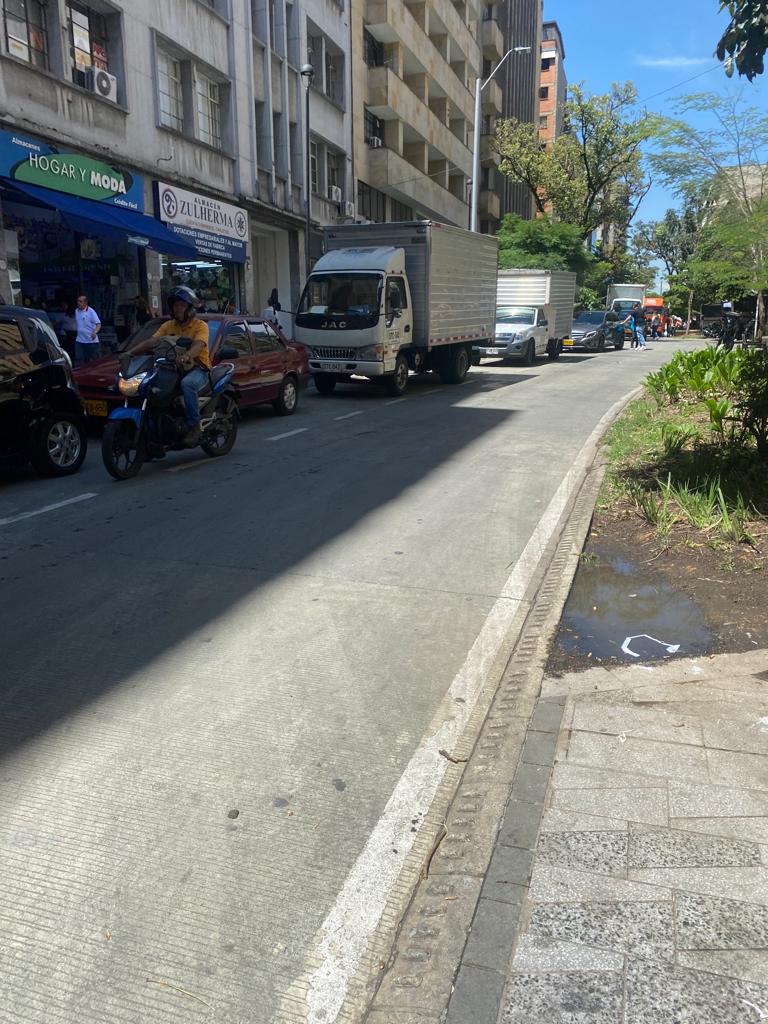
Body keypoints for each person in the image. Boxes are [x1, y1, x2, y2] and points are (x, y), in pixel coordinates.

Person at [135, 285, 210, 445]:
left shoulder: (200, 326)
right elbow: (151, 341)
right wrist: (129, 354)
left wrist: (187, 355)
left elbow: (199, 345)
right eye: (176, 305)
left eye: (182, 305)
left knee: (187, 384)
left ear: (189, 308)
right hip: (173, 368)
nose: (178, 308)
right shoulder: (168, 326)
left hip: (198, 369)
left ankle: (194, 426)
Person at [74, 294, 101, 364]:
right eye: (78, 301)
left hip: (91, 341)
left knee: (92, 361)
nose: (78, 303)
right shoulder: (76, 311)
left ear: (85, 303)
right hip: (79, 340)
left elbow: (98, 324)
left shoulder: (91, 311)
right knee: (79, 359)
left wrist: (95, 332)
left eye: (80, 301)